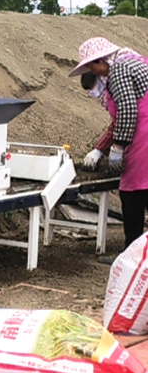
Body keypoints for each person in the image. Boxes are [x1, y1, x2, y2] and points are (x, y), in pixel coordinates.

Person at [71, 36, 148, 248]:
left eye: (92, 67)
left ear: (102, 60)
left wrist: (118, 147)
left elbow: (128, 111)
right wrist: (99, 149)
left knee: (133, 194)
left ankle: (131, 253)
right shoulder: (135, 61)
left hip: (143, 138)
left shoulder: (119, 71)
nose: (94, 71)